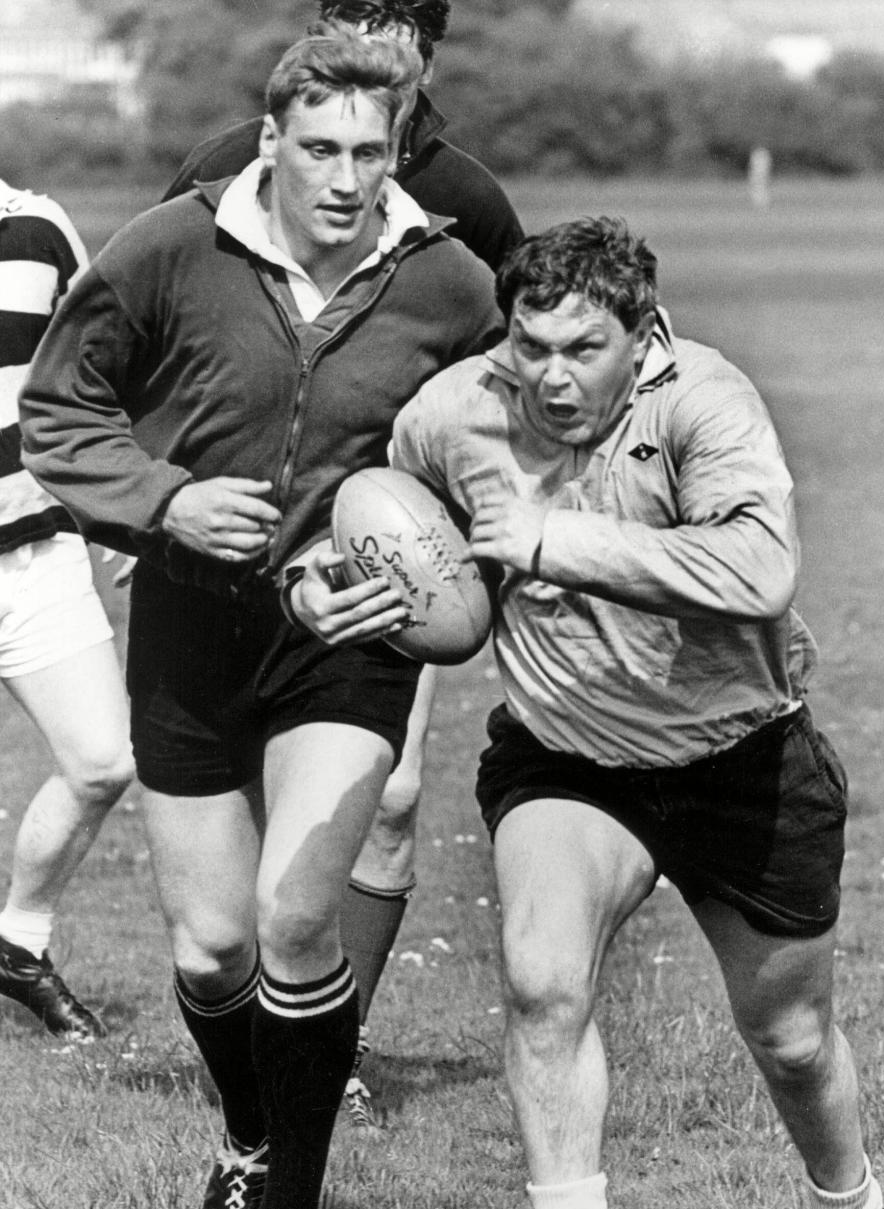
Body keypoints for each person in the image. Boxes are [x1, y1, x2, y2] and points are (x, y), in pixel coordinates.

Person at [21, 34, 501, 1209]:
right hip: (190, 625)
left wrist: (426, 551)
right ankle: (248, 1135)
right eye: (322, 149)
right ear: (273, 139)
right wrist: (165, 502)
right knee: (215, 948)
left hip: (347, 635)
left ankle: (291, 1192)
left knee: (295, 918)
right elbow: (57, 410)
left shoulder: (448, 283)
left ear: (399, 154)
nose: (345, 179)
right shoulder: (171, 248)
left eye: (370, 154)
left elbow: (495, 449)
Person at [384, 217, 883, 1209]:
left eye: (582, 349)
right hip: (564, 753)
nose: (551, 376)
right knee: (542, 983)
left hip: (739, 750)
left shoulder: (706, 398)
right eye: (530, 346)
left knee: (789, 1041)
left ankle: (850, 1194)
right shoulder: (450, 415)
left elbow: (761, 568)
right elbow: (391, 537)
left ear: (642, 334)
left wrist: (552, 540)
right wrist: (339, 592)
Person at [164, 0, 523, 1130]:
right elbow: (167, 338)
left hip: (375, 551)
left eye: (399, 20)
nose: (379, 35)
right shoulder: (223, 167)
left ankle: (332, 1045)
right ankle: (272, 1062)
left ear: (429, 49)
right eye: (353, 13)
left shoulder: (466, 198)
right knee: (236, 892)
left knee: (397, 798)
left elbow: (511, 372)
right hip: (227, 570)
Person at [0, 180, 134, 1042]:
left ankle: (18, 943)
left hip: (30, 552)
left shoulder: (38, 226)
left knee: (103, 759)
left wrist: (122, 512)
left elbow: (101, 374)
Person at [163, 0, 523, 275]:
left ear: (427, 68)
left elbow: (524, 329)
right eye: (354, 58)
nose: (371, 82)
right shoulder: (224, 165)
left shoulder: (468, 197)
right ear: (317, 51)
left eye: (392, 64)